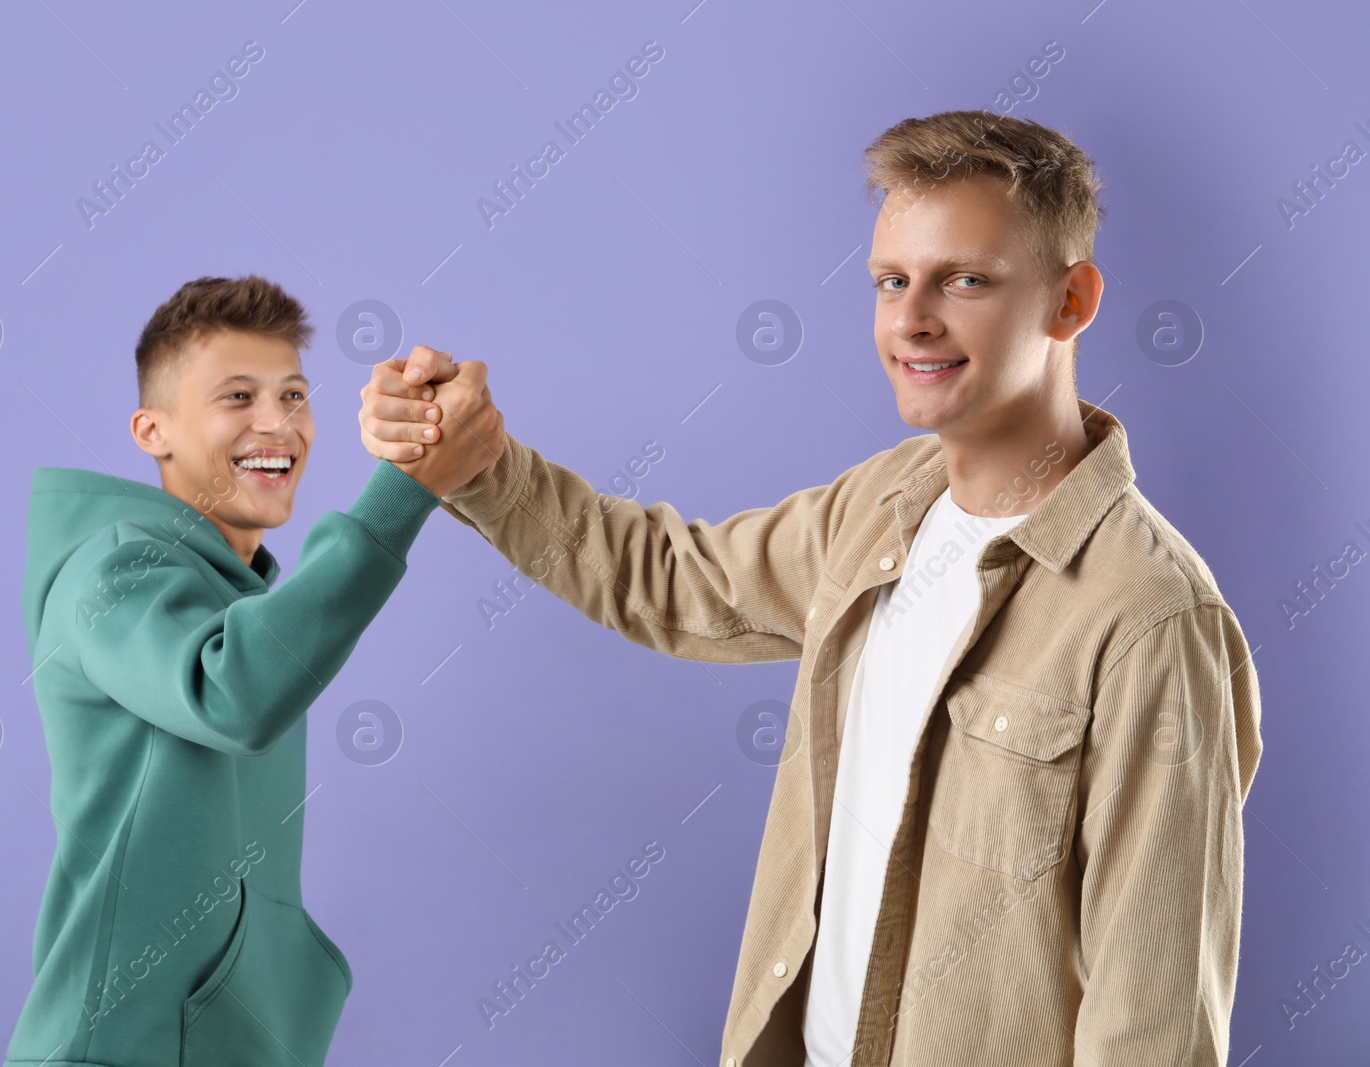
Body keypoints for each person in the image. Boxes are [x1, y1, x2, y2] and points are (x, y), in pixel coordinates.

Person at [357, 111, 1263, 1065]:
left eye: (965, 279)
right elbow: (665, 579)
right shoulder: (881, 505)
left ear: (1070, 301)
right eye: (890, 280)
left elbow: (1155, 1027)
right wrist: (479, 461)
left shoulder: (1151, 619)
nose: (913, 317)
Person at [3, 274, 501, 1067]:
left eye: (294, 396)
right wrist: (405, 490)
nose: (279, 423)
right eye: (238, 396)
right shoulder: (114, 572)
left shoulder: (225, 596)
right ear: (152, 430)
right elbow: (234, 692)